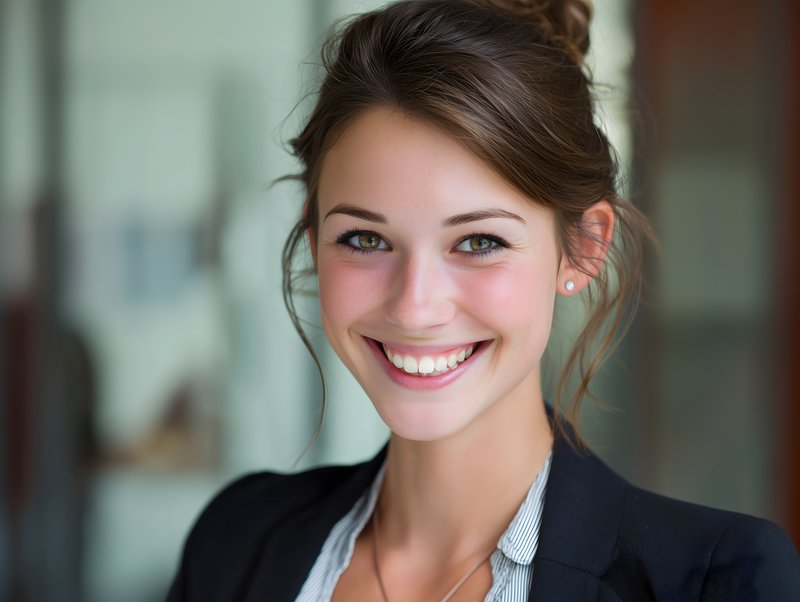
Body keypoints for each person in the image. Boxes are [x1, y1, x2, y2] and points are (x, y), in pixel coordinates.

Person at [166, 1, 800, 600]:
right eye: (364, 238)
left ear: (581, 247)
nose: (415, 307)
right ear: (312, 238)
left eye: (478, 241)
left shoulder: (715, 579)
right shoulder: (237, 541)